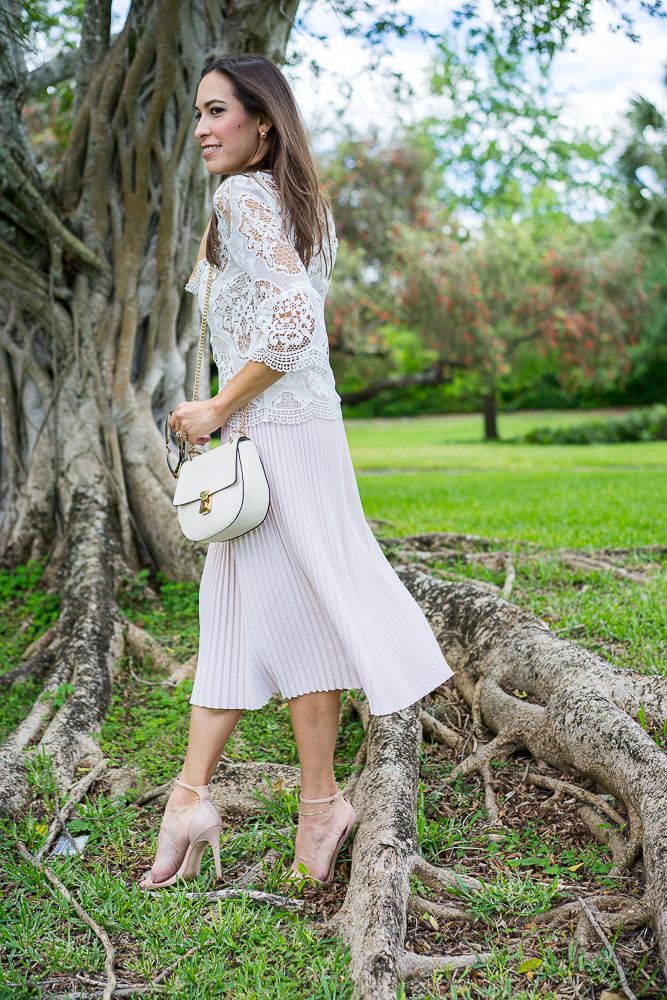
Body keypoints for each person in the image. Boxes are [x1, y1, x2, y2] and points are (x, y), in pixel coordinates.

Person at [141, 53, 452, 891]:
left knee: (255, 608)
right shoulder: (302, 202)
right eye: (198, 115)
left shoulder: (240, 196)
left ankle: (217, 800)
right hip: (305, 429)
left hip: (274, 433)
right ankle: (291, 804)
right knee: (271, 609)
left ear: (263, 120)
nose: (202, 129)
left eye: (216, 112)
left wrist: (214, 407)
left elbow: (293, 318)